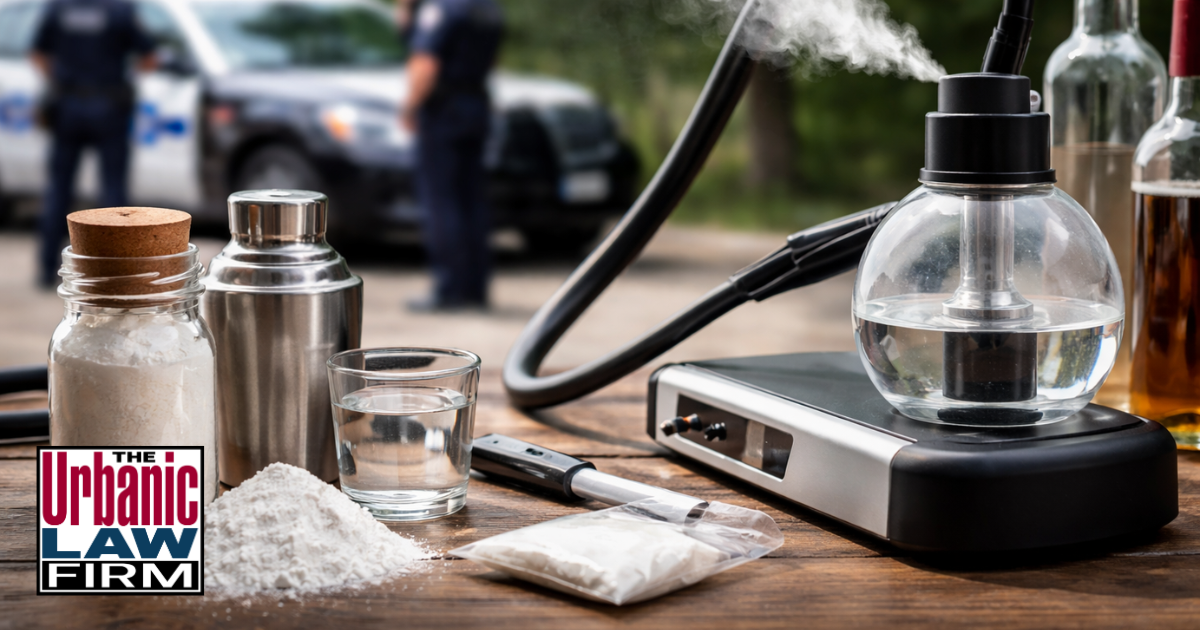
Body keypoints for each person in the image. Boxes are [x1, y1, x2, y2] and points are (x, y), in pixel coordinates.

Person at [30, 0, 156, 288]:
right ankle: (111, 273)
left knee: (58, 189)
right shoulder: (120, 9)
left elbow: (39, 54)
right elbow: (149, 58)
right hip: (109, 105)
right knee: (112, 191)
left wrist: (60, 81)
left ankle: (47, 271)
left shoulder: (58, 8)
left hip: (67, 104)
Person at [400, 0, 504, 312]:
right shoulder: (488, 8)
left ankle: (450, 289)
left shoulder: (442, 8)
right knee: (471, 200)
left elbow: (426, 64)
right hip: (477, 105)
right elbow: (493, 59)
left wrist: (410, 106)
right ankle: (475, 288)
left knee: (441, 200)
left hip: (444, 111)